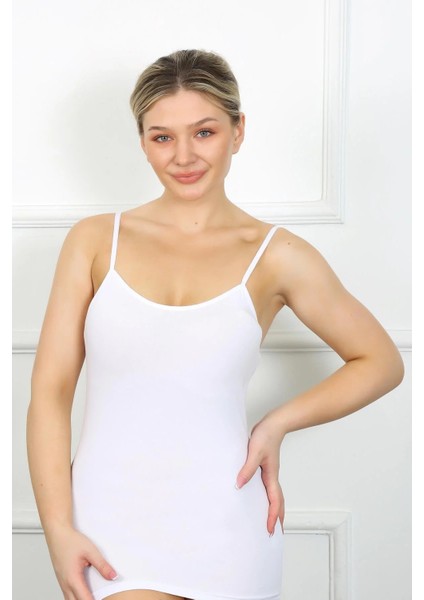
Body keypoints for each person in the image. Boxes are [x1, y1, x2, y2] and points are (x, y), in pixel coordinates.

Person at [26, 49, 404, 600]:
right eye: (162, 137)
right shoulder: (94, 242)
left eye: (204, 132)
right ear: (142, 141)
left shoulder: (278, 255)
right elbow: (50, 393)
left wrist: (277, 423)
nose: (184, 156)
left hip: (228, 523)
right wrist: (58, 529)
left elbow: (381, 362)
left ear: (238, 130)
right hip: (107, 520)